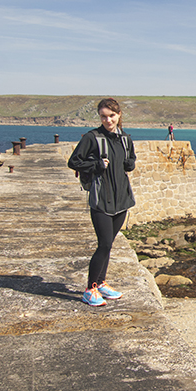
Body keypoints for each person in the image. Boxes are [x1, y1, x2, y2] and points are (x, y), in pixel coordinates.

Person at [68, 98, 136, 307]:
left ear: (119, 115)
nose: (108, 120)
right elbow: (74, 161)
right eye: (103, 116)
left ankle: (101, 282)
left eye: (111, 116)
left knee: (109, 245)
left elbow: (131, 161)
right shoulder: (92, 137)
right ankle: (90, 289)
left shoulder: (125, 138)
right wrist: (96, 165)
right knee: (104, 244)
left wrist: (129, 163)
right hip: (101, 200)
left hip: (121, 200)